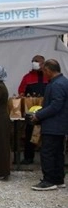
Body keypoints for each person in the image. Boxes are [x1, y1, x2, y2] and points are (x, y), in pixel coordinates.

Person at [30, 59, 68, 191]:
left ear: (48, 70)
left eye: (44, 71)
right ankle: (58, 179)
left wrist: (38, 115)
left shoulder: (57, 84)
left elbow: (55, 105)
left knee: (47, 153)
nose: (43, 74)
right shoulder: (62, 82)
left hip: (53, 124)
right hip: (60, 124)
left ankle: (49, 180)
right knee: (57, 153)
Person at [18, 55, 47, 165]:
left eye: (37, 61)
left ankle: (46, 159)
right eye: (33, 61)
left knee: (46, 135)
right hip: (31, 111)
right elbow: (21, 91)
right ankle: (28, 157)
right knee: (29, 134)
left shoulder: (48, 76)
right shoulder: (27, 77)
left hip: (46, 110)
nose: (34, 63)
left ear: (43, 63)